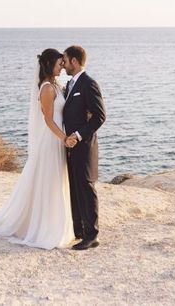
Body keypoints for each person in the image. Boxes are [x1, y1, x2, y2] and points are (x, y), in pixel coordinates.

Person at [0, 48, 75, 249]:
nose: (62, 67)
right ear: (50, 65)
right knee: (48, 180)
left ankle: (54, 221)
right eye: (60, 64)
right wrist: (64, 138)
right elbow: (48, 120)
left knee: (55, 180)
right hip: (51, 139)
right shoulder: (47, 88)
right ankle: (43, 226)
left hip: (57, 138)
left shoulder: (57, 85)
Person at [62, 45, 106, 250]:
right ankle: (79, 231)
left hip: (84, 145)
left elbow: (100, 117)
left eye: (66, 60)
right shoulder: (70, 84)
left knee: (87, 189)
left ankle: (92, 235)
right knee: (75, 187)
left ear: (75, 61)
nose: (63, 65)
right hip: (70, 147)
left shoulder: (89, 84)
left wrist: (78, 136)